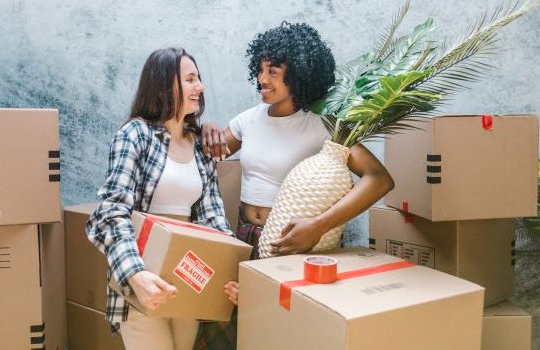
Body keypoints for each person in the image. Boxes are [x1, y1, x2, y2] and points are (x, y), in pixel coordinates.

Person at [195, 22, 395, 349]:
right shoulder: (249, 120)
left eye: (273, 71)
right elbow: (205, 158)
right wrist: (208, 129)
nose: (262, 79)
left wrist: (318, 226)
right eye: (260, 70)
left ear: (301, 74)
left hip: (291, 244)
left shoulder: (321, 126)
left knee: (278, 333)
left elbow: (379, 179)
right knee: (226, 333)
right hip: (244, 237)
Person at [86, 47, 231, 350]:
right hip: (142, 278)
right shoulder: (135, 135)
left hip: (188, 279)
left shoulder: (200, 146)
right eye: (190, 79)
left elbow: (213, 218)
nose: (200, 87)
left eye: (199, 79)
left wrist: (229, 273)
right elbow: (111, 213)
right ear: (165, 85)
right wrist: (136, 276)